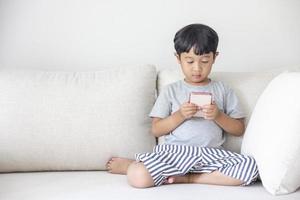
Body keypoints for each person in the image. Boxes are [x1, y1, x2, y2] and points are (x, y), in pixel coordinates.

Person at [106, 23, 258, 188]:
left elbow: (239, 129)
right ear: (178, 58)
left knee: (250, 168)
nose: (197, 68)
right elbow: (156, 130)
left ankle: (190, 178)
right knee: (138, 176)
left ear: (215, 57)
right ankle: (133, 165)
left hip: (212, 155)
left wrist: (218, 116)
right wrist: (180, 115)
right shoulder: (171, 91)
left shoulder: (223, 90)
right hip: (175, 153)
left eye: (205, 61)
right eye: (190, 61)